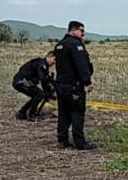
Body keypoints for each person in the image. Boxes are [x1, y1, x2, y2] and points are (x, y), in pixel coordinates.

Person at [53, 20, 97, 150]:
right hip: (74, 86)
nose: (83, 33)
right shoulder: (75, 45)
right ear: (73, 30)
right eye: (81, 30)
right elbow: (81, 65)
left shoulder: (59, 45)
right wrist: (87, 82)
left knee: (63, 113)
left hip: (61, 86)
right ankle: (80, 143)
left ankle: (62, 140)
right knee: (77, 113)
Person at [12, 51, 56, 122]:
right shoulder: (42, 64)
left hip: (22, 82)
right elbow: (43, 79)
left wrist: (48, 91)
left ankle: (22, 113)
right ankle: (32, 115)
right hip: (21, 82)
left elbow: (46, 79)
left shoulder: (43, 65)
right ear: (49, 57)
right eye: (54, 59)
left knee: (37, 95)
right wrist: (46, 92)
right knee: (39, 95)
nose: (54, 62)